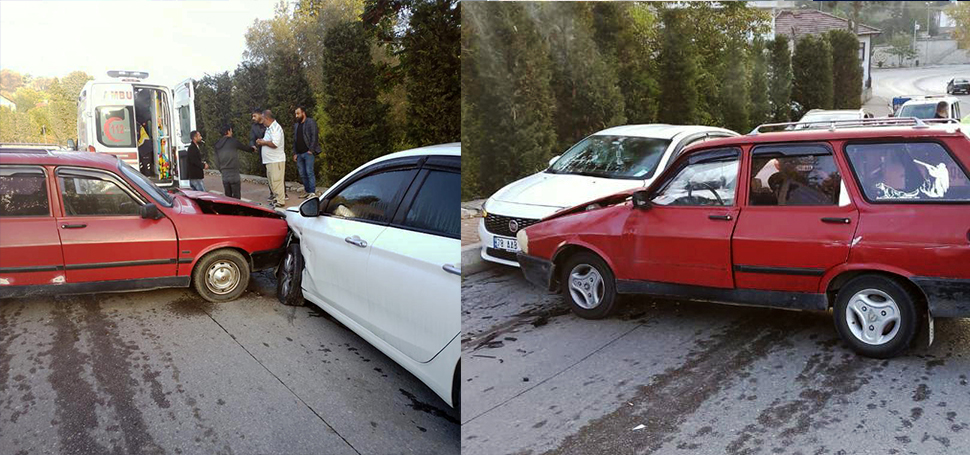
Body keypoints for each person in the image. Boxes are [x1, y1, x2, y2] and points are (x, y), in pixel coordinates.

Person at [255, 110, 286, 207]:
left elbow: (275, 144)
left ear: (267, 118)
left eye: (263, 119)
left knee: (276, 181)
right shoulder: (269, 128)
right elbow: (268, 140)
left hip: (276, 160)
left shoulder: (275, 128)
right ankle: (276, 199)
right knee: (272, 182)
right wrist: (261, 141)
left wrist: (263, 143)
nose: (262, 122)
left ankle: (280, 201)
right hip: (270, 160)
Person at [213, 124, 252, 199]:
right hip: (233, 172)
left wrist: (221, 169)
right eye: (231, 131)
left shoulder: (217, 144)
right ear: (228, 131)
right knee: (236, 195)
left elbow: (216, 160)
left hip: (224, 173)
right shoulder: (233, 141)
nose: (232, 132)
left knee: (228, 196)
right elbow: (245, 148)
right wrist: (252, 149)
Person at [292, 106, 320, 198]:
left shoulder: (310, 122)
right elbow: (295, 140)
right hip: (299, 154)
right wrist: (295, 153)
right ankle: (307, 191)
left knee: (309, 172)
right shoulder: (296, 125)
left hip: (308, 153)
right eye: (295, 114)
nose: (296, 116)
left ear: (303, 113)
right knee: (302, 174)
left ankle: (312, 192)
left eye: (298, 113)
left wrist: (311, 150)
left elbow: (314, 136)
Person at [250, 108, 272, 201]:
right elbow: (252, 138)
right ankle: (272, 193)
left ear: (260, 115)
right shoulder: (254, 127)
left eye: (254, 116)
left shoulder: (268, 124)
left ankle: (282, 193)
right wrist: (252, 145)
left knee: (275, 173)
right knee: (268, 174)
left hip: (272, 151)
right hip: (262, 153)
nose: (253, 118)